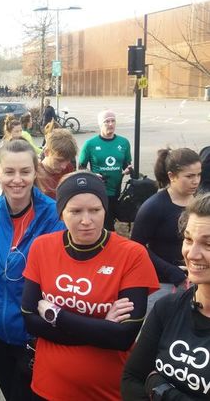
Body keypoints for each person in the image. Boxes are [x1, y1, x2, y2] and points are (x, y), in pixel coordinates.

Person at [21, 171, 159, 400]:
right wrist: (102, 327)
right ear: (61, 214)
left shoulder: (132, 254)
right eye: (75, 211)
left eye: (95, 210)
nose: (87, 220)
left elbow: (123, 338)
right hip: (48, 388)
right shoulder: (42, 247)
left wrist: (56, 316)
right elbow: (30, 320)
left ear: (105, 210)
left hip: (108, 392)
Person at [0, 139, 65, 401]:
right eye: (9, 172)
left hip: (35, 338)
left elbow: (58, 283)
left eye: (25, 171)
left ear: (36, 171)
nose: (17, 180)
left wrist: (37, 337)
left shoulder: (54, 215)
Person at [121, 192, 210, 400]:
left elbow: (145, 382)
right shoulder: (168, 307)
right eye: (188, 239)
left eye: (208, 244)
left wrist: (161, 389)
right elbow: (131, 380)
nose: (192, 254)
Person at [131, 148, 201, 309]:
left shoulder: (201, 202)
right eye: (189, 176)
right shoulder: (154, 207)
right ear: (172, 176)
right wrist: (171, 271)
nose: (196, 181)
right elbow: (136, 247)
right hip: (163, 284)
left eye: (198, 174)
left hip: (198, 280)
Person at [79, 109, 133, 231]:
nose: (110, 124)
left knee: (112, 219)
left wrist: (128, 170)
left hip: (117, 190)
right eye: (106, 121)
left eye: (113, 121)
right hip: (99, 190)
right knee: (105, 223)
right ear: (100, 124)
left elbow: (126, 164)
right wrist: (92, 175)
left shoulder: (124, 142)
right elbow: (81, 168)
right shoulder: (90, 144)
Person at [36, 128, 78, 199]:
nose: (64, 166)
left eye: (68, 160)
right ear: (47, 152)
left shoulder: (68, 168)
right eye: (59, 160)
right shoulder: (35, 174)